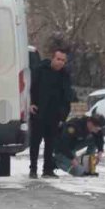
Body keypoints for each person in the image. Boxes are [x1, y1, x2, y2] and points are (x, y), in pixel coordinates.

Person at [29, 49, 74, 178]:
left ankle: (47, 169)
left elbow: (67, 98)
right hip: (39, 111)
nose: (60, 62)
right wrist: (31, 103)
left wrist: (63, 116)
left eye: (63, 61)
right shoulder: (40, 70)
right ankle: (33, 169)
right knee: (35, 142)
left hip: (55, 114)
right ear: (53, 59)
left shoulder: (65, 75)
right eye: (58, 59)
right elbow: (32, 88)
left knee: (50, 143)